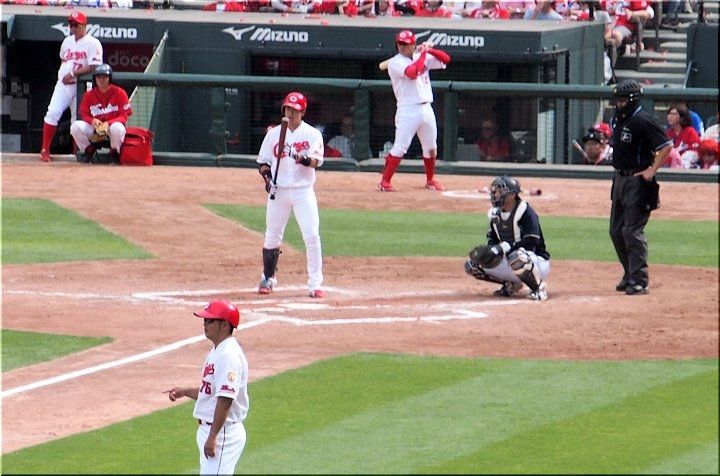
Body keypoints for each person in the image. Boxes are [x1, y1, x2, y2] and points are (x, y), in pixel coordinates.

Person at [166, 300, 249, 476]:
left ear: (224, 325)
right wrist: (185, 391)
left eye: (210, 321)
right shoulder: (218, 350)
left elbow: (225, 400)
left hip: (222, 433)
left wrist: (213, 436)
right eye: (205, 320)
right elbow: (212, 392)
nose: (205, 324)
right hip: (215, 430)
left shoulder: (228, 355)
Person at [256, 91, 325, 298]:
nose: (290, 113)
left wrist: (298, 156)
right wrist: (268, 180)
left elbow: (315, 162)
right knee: (272, 236)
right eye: (287, 108)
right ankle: (267, 277)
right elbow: (263, 163)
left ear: (302, 112)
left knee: (312, 236)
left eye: (294, 109)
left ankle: (315, 284)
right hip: (279, 191)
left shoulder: (312, 134)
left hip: (303, 191)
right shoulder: (273, 134)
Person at [609, 79, 672, 295]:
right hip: (619, 178)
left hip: (638, 180)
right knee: (616, 231)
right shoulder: (618, 119)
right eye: (616, 100)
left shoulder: (643, 120)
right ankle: (629, 273)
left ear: (632, 99)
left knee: (632, 231)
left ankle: (640, 280)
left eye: (621, 100)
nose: (618, 104)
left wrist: (652, 170)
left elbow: (666, 146)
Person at [378, 29, 451, 192]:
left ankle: (430, 180)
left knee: (431, 147)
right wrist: (423, 54)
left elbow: (446, 59)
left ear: (413, 44)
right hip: (408, 109)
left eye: (406, 44)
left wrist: (429, 50)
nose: (402, 46)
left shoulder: (420, 56)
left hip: (426, 107)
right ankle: (384, 181)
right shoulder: (395, 62)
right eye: (400, 43)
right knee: (400, 148)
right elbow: (412, 72)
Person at [464, 175, 551, 301]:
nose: (496, 195)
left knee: (517, 256)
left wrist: (507, 246)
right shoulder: (495, 214)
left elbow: (532, 240)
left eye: (500, 192)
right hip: (512, 260)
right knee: (473, 264)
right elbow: (493, 240)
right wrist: (491, 250)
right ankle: (511, 284)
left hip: (536, 262)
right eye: (495, 192)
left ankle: (538, 287)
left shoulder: (525, 211)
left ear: (512, 194)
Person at [40, 11, 103, 163]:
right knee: (52, 112)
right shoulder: (67, 41)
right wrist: (63, 73)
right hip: (63, 84)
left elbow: (95, 66)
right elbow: (63, 60)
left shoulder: (93, 43)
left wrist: (73, 73)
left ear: (84, 25)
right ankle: (45, 149)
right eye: (71, 24)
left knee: (78, 122)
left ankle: (78, 153)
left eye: (76, 24)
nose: (73, 27)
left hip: (81, 86)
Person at [69, 63, 132, 164]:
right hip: (95, 128)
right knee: (75, 126)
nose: (101, 80)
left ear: (109, 78)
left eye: (105, 77)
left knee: (118, 128)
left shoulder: (120, 93)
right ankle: (88, 151)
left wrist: (108, 123)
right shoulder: (89, 95)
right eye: (98, 77)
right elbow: (84, 114)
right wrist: (92, 120)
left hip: (111, 128)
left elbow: (124, 116)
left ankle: (114, 153)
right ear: (95, 78)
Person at [665, 103, 701, 168]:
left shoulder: (690, 132)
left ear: (682, 118)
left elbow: (695, 153)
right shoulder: (668, 133)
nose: (670, 116)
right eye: (669, 114)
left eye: (674, 114)